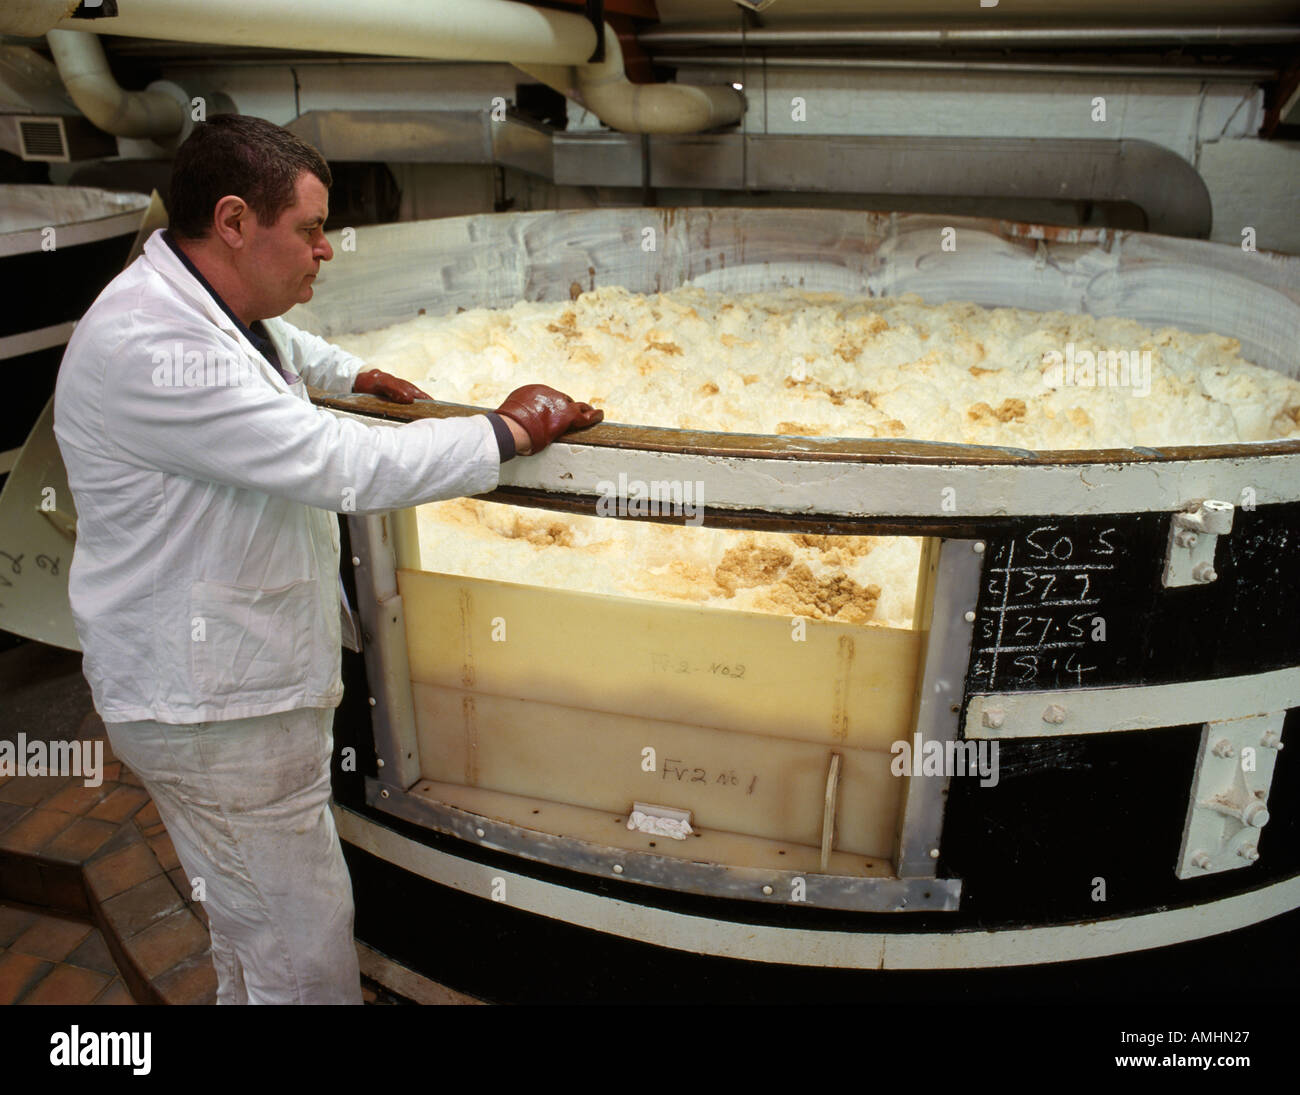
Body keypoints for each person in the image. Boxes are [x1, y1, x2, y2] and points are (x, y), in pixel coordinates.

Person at [52, 113, 601, 1004]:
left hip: (213, 700)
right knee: (300, 962)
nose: (327, 251)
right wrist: (500, 434)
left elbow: (269, 348)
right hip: (215, 716)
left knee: (249, 932)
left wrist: (351, 374)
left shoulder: (191, 293)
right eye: (310, 229)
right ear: (234, 222)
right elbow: (337, 463)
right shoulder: (154, 349)